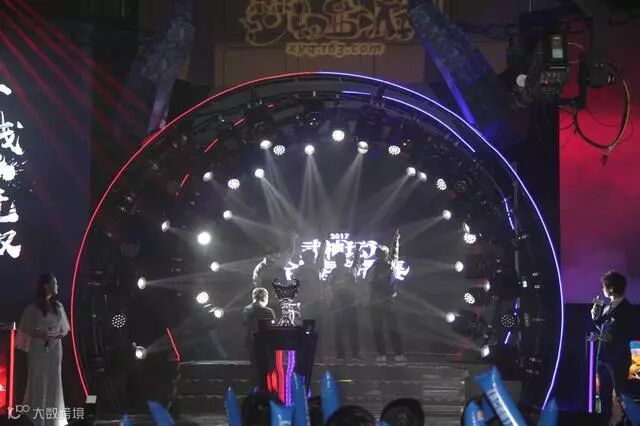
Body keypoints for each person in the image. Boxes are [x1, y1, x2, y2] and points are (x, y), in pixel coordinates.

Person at [16, 273, 70, 426]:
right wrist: (41, 334)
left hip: (55, 349)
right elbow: (25, 329)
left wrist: (57, 335)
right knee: (39, 382)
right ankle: (37, 419)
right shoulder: (32, 308)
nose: (57, 286)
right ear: (46, 286)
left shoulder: (58, 306)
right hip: (39, 348)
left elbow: (65, 329)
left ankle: (53, 420)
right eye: (54, 283)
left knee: (54, 383)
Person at [591, 270, 636, 425]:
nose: (602, 289)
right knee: (604, 395)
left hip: (618, 359)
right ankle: (607, 421)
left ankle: (627, 422)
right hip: (603, 357)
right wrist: (595, 316)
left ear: (611, 288)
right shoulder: (607, 306)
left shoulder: (626, 308)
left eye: (604, 286)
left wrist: (601, 336)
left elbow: (617, 332)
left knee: (621, 395)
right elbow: (602, 327)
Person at [366, 230, 405, 363]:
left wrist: (396, 241)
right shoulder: (378, 267)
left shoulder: (384, 266)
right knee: (385, 329)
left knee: (386, 329)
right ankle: (389, 353)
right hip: (382, 302)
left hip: (383, 302)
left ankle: (389, 353)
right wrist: (396, 241)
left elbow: (395, 255)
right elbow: (395, 255)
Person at [326, 250, 361, 361]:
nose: (339, 262)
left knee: (348, 329)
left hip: (347, 303)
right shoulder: (335, 273)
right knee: (343, 329)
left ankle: (350, 354)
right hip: (341, 303)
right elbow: (330, 288)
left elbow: (353, 286)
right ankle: (346, 354)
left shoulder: (346, 272)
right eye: (338, 260)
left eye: (340, 260)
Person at [243, 288, 276, 385]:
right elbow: (274, 329)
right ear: (265, 297)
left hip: (251, 344)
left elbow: (246, 328)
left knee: (255, 370)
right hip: (266, 346)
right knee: (265, 371)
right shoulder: (268, 311)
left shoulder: (246, 310)